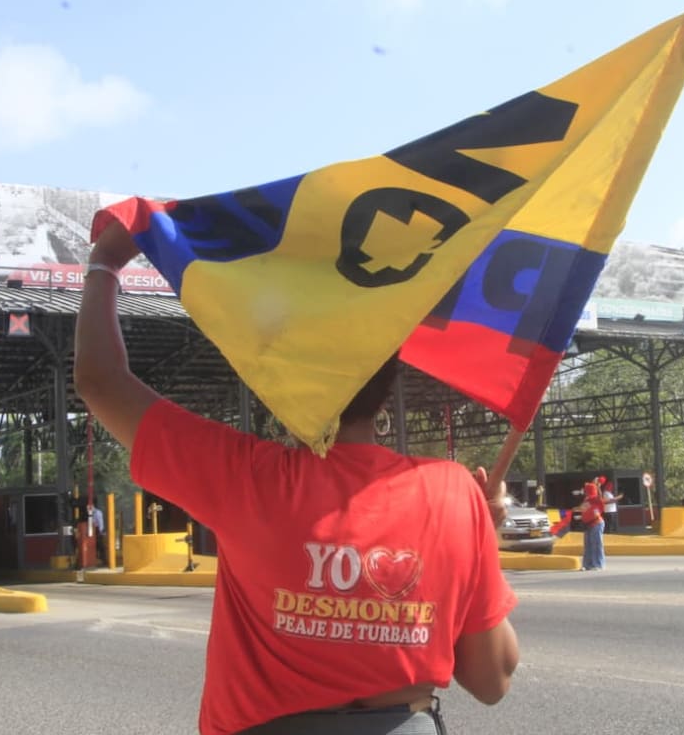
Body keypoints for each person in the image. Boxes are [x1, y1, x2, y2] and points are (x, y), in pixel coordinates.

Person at [74, 218, 519, 735]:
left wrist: (104, 262)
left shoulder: (245, 477)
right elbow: (492, 680)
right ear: (390, 375)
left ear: (289, 380)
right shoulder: (453, 493)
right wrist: (482, 540)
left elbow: (99, 381)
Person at [578, 481, 605, 571]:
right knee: (588, 545)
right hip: (588, 525)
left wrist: (598, 487)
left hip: (596, 523)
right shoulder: (587, 499)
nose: (585, 492)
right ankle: (587, 564)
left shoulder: (595, 498)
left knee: (596, 544)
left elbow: (600, 498)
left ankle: (598, 564)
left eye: (586, 490)